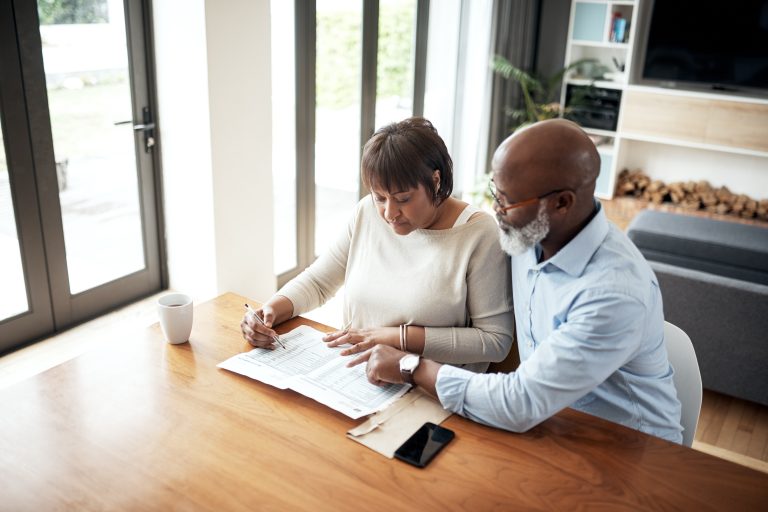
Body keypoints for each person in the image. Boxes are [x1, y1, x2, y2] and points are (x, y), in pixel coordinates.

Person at [352, 119, 684, 444]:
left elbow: (520, 401)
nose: (496, 211)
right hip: (548, 428)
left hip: (631, 448)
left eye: (508, 201)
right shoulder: (529, 235)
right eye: (496, 193)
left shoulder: (613, 294)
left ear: (562, 203)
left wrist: (411, 365)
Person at [241, 117, 514, 373]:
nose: (389, 213)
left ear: (435, 179)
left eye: (403, 199)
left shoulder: (479, 235)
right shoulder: (367, 214)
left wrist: (399, 338)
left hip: (432, 390)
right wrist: (271, 310)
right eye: (379, 197)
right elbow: (318, 282)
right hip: (357, 375)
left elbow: (495, 341)